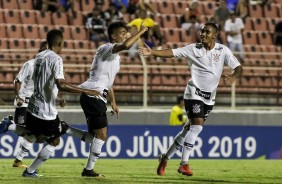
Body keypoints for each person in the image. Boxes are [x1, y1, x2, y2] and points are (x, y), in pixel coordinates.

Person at [139, 22, 243, 176]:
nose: (203, 34)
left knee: (187, 130)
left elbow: (239, 67)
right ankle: (184, 164)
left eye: (207, 32)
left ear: (214, 35)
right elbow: (172, 52)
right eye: (202, 32)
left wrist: (234, 76)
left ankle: (165, 158)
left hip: (209, 98)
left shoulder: (223, 50)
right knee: (197, 127)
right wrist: (152, 52)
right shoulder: (193, 49)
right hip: (193, 93)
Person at [0, 29, 100, 177]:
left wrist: (57, 96)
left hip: (33, 106)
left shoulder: (39, 57)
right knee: (54, 142)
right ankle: (30, 171)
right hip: (46, 112)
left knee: (34, 136)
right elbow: (61, 84)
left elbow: (46, 83)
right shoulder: (56, 59)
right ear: (60, 43)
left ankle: (11, 126)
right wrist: (85, 91)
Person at [78, 21, 148, 177]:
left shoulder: (116, 58)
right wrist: (141, 32)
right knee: (101, 136)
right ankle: (88, 170)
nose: (125, 35)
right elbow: (126, 46)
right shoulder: (106, 48)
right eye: (122, 33)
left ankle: (65, 129)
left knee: (94, 137)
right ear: (113, 36)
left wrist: (113, 103)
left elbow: (108, 84)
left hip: (97, 96)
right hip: (92, 94)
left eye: (125, 33)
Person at [12, 41, 48, 168]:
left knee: (37, 136)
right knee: (28, 131)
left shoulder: (46, 69)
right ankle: (8, 125)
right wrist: (18, 96)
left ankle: (18, 161)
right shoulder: (30, 64)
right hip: (24, 103)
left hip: (35, 105)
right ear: (40, 50)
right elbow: (17, 80)